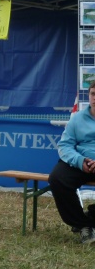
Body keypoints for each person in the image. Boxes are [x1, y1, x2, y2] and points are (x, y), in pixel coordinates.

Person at [48, 81, 95, 244]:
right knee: (57, 178)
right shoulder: (77, 119)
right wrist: (80, 161)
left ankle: (91, 217)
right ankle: (83, 225)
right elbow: (64, 145)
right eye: (93, 94)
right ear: (89, 96)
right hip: (81, 162)